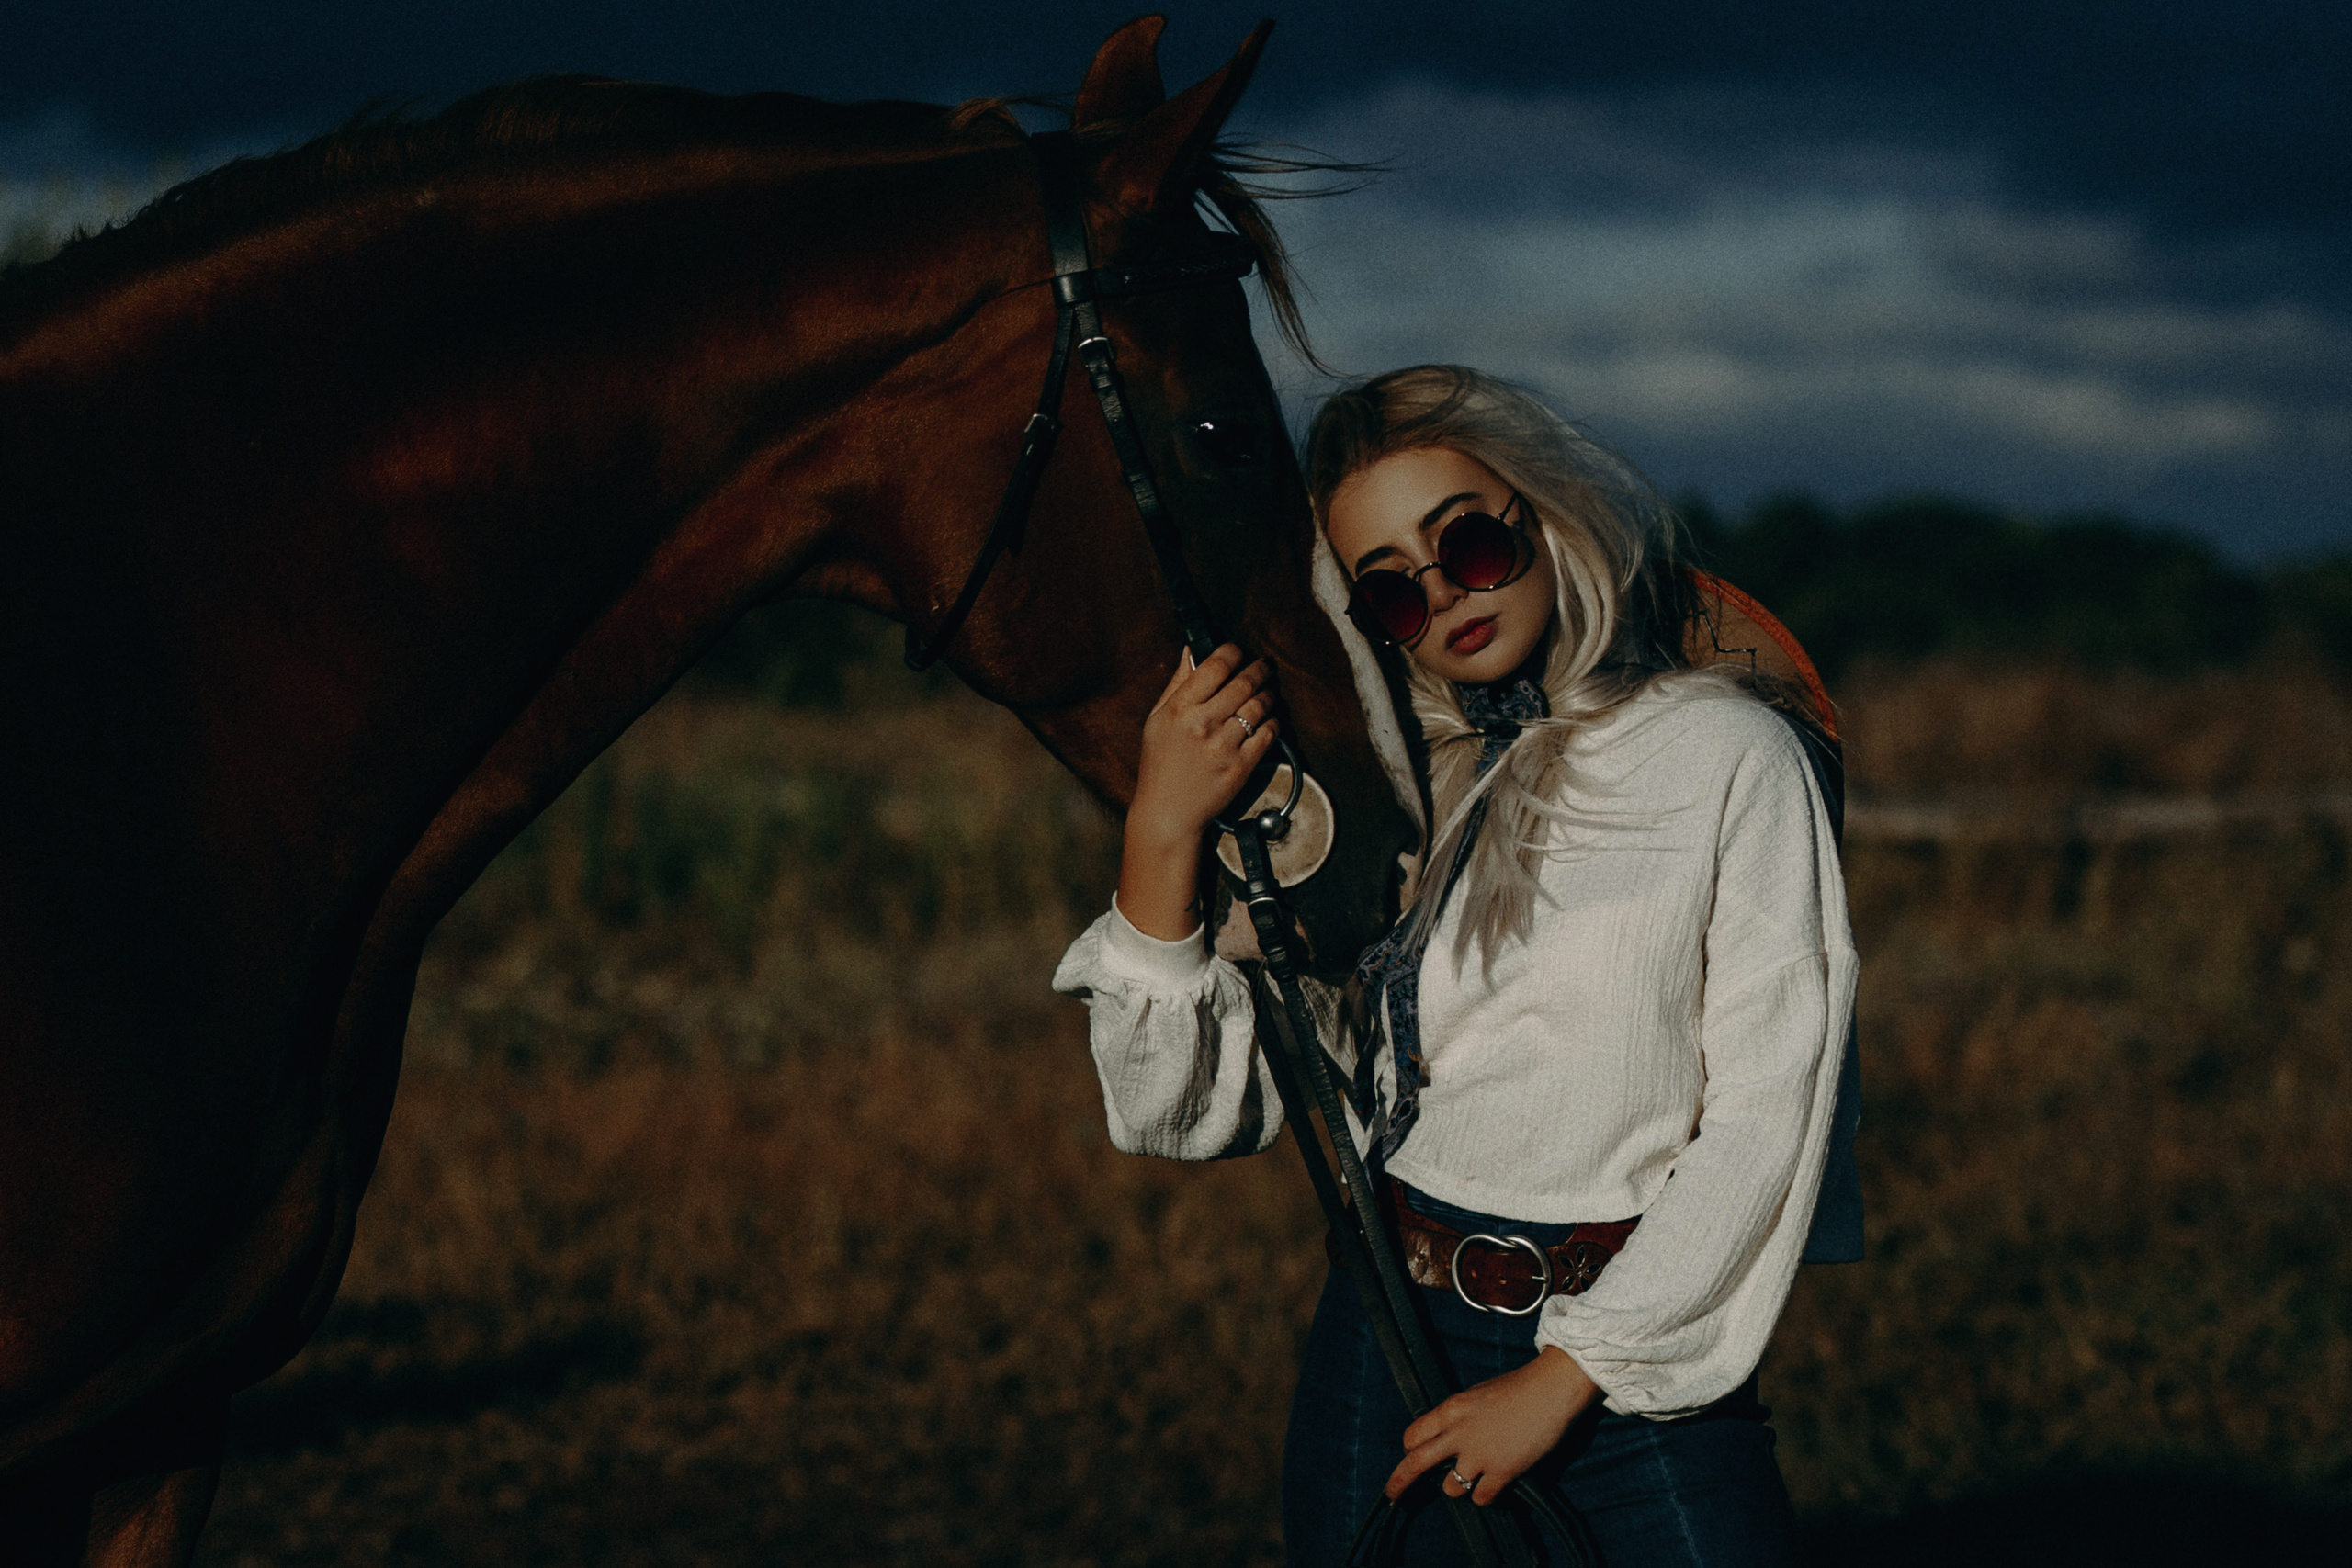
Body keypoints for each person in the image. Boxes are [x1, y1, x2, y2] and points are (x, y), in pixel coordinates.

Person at [1054, 366, 1860, 1566]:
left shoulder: (1728, 753)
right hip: (1387, 1340)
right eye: (1390, 590)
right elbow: (1179, 1113)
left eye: (1469, 543)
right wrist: (1164, 831)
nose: (1443, 594)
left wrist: (1571, 1374)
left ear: (1542, 517)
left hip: (1634, 1356)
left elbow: (1766, 1113)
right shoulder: (1374, 801)